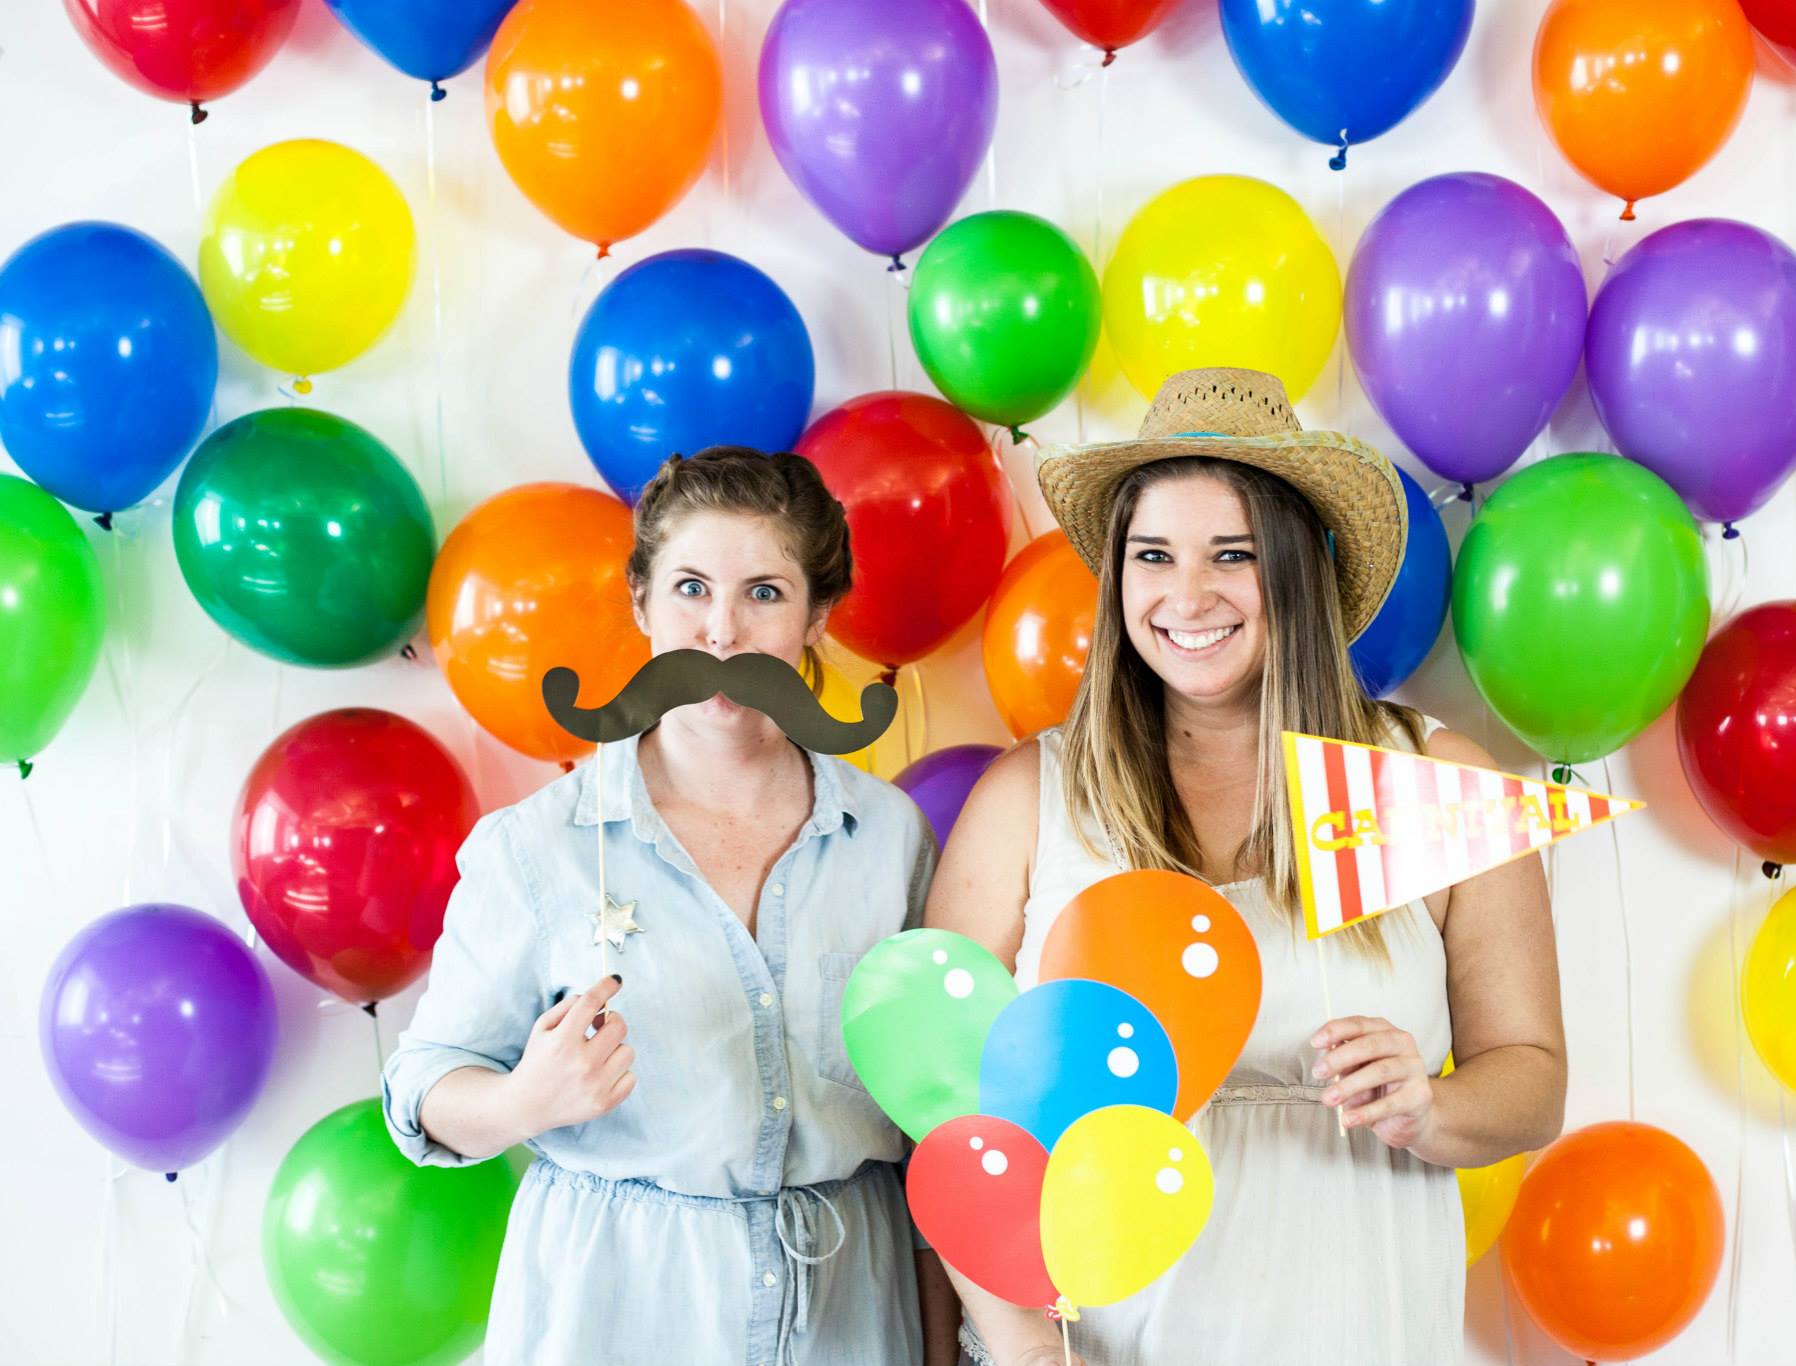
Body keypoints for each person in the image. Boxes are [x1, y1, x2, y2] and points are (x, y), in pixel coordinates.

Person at [928, 369, 1566, 1366]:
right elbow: (942, 1108)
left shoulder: (1431, 778)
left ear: (1295, 571)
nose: (1188, 595)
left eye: (1232, 554)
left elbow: (1530, 1080)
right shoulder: (1030, 795)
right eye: (1153, 555)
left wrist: (1428, 1105)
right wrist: (1023, 1350)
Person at [381, 447, 953, 1366]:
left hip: (851, 1317)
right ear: (642, 603)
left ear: (818, 616)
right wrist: (526, 1099)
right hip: (621, 1313)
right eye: (691, 588)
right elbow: (423, 1087)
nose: (721, 632)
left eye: (764, 593)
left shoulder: (889, 837)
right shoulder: (540, 846)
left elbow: (939, 1120)